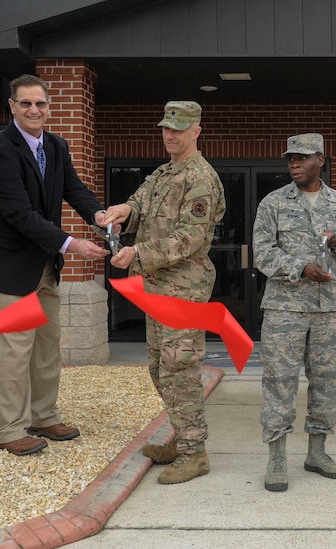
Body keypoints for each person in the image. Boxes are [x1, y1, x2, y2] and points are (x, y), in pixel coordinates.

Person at [0, 74, 111, 456]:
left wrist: (99, 215)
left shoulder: (56, 145)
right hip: (8, 267)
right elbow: (19, 213)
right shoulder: (0, 151)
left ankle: (43, 416)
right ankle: (9, 430)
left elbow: (73, 189)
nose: (34, 110)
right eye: (25, 103)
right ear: (12, 107)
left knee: (47, 346)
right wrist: (71, 243)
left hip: (44, 265)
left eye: (40, 104)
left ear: (49, 107)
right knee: (16, 350)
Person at [103, 100, 226, 484]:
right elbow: (140, 204)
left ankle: (194, 453)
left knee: (180, 370)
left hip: (183, 292)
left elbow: (191, 237)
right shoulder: (163, 172)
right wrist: (123, 210)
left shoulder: (200, 178)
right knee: (160, 369)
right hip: (158, 289)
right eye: (166, 128)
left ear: (196, 131)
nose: (170, 135)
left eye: (178, 128)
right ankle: (182, 437)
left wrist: (138, 252)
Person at [253, 133, 336, 492]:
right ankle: (276, 457)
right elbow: (262, 252)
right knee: (279, 382)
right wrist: (301, 267)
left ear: (320, 159)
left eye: (302, 158)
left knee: (328, 382)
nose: (294, 165)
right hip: (285, 309)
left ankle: (317, 452)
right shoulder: (273, 203)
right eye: (290, 159)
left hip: (330, 308)